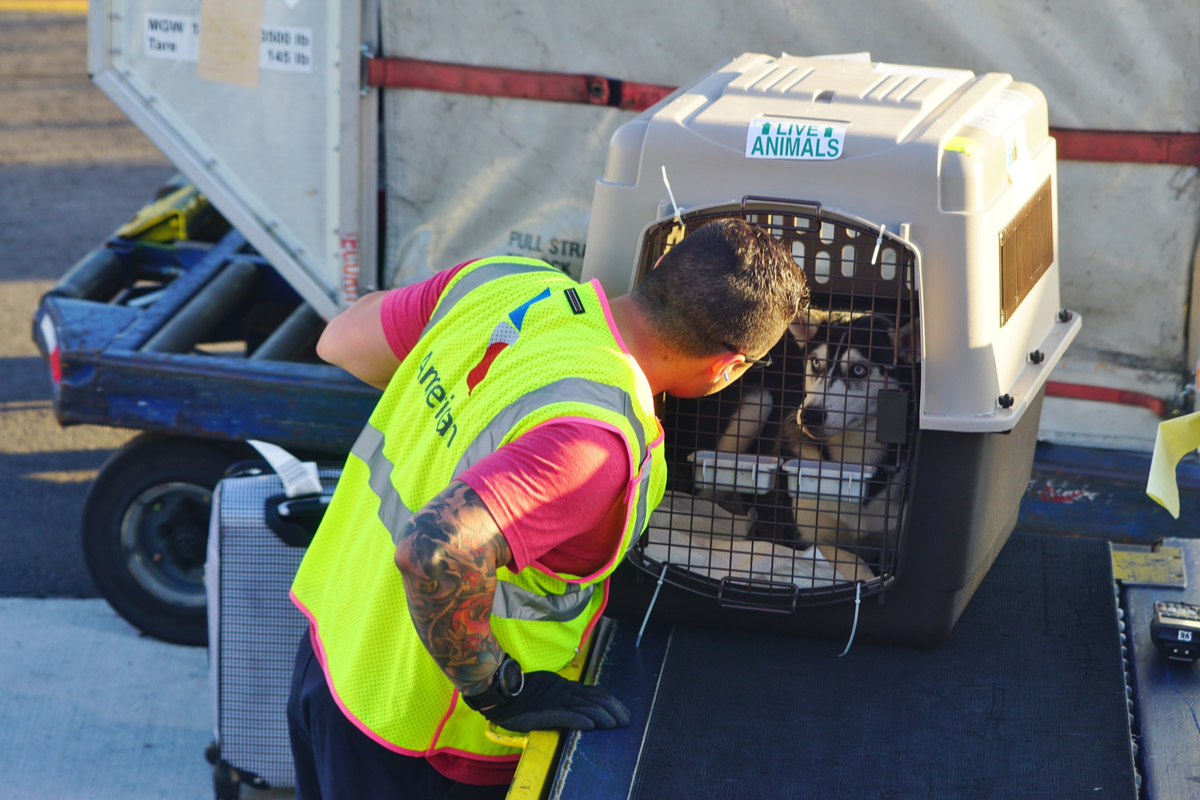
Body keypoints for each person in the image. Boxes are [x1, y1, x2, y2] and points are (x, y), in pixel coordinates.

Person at [287, 218, 808, 799]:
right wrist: (498, 689)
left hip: (332, 658)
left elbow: (339, 342)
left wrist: (452, 394)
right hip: (424, 739)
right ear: (728, 368)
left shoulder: (504, 282)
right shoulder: (601, 440)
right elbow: (435, 549)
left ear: (658, 271)